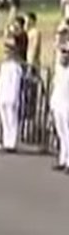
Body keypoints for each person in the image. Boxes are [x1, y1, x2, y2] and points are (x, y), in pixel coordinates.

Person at [0, 30, 24, 153]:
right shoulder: (4, 66)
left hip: (11, 97)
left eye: (8, 52)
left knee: (12, 120)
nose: (6, 54)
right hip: (3, 96)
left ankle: (12, 143)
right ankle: (6, 141)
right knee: (5, 120)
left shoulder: (15, 67)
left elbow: (15, 85)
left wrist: (13, 98)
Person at [50, 26, 69, 171]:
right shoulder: (59, 64)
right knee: (61, 129)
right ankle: (63, 158)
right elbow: (57, 46)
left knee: (67, 130)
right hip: (59, 98)